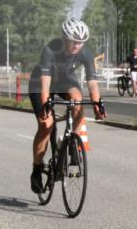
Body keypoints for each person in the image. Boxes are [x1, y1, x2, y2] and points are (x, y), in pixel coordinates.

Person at [29, 18, 105, 194]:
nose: (78, 45)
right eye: (74, 41)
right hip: (40, 84)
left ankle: (72, 141)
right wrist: (47, 103)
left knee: (77, 99)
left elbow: (92, 82)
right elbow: (46, 83)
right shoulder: (50, 50)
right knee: (46, 125)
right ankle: (37, 169)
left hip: (65, 80)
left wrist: (97, 105)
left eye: (81, 42)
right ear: (65, 38)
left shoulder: (85, 53)